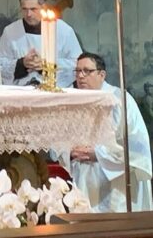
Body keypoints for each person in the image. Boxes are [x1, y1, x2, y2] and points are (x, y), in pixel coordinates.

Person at [57, 52, 152, 212]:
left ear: (102, 74)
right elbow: (58, 139)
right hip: (85, 180)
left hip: (117, 183)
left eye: (87, 71)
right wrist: (70, 152)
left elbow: (137, 145)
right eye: (77, 71)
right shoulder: (74, 102)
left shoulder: (120, 100)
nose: (80, 76)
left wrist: (99, 154)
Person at [0, 0, 82, 88]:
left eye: (33, 9)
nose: (28, 14)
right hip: (21, 91)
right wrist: (22, 64)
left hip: (54, 90)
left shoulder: (64, 31)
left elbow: (77, 64)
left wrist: (46, 65)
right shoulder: (10, 31)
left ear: (43, 7)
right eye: (24, 9)